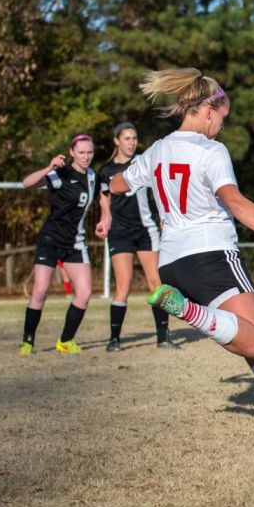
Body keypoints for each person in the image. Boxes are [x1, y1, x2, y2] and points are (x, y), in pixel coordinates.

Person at [110, 68, 254, 429]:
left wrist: (150, 190)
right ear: (207, 111)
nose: (221, 125)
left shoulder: (157, 150)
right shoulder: (211, 151)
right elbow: (235, 202)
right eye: (221, 117)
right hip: (212, 254)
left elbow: (116, 183)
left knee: (246, 340)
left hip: (171, 264)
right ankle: (190, 312)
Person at [95, 122, 174, 351]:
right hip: (120, 233)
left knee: (156, 283)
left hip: (145, 231)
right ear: (116, 141)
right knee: (124, 285)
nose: (131, 143)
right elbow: (105, 203)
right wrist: (104, 220)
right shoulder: (106, 171)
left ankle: (163, 337)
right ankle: (114, 340)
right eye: (127, 138)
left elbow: (159, 188)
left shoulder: (142, 162)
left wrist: (162, 215)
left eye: (134, 138)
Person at [19, 134, 97, 355]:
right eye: (81, 152)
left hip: (75, 243)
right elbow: (27, 184)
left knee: (84, 292)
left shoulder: (92, 176)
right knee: (41, 291)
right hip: (51, 240)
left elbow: (103, 197)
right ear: (72, 152)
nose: (86, 157)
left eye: (89, 152)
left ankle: (65, 340)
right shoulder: (60, 174)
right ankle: (27, 341)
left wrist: (106, 217)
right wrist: (48, 167)